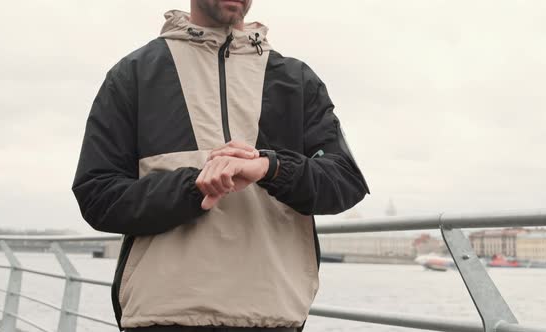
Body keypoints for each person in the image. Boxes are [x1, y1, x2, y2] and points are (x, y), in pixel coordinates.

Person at [72, 0, 369, 331]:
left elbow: (345, 181)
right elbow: (96, 194)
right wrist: (193, 186)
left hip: (272, 315)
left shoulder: (296, 80)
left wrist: (271, 168)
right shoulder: (135, 74)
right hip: (164, 314)